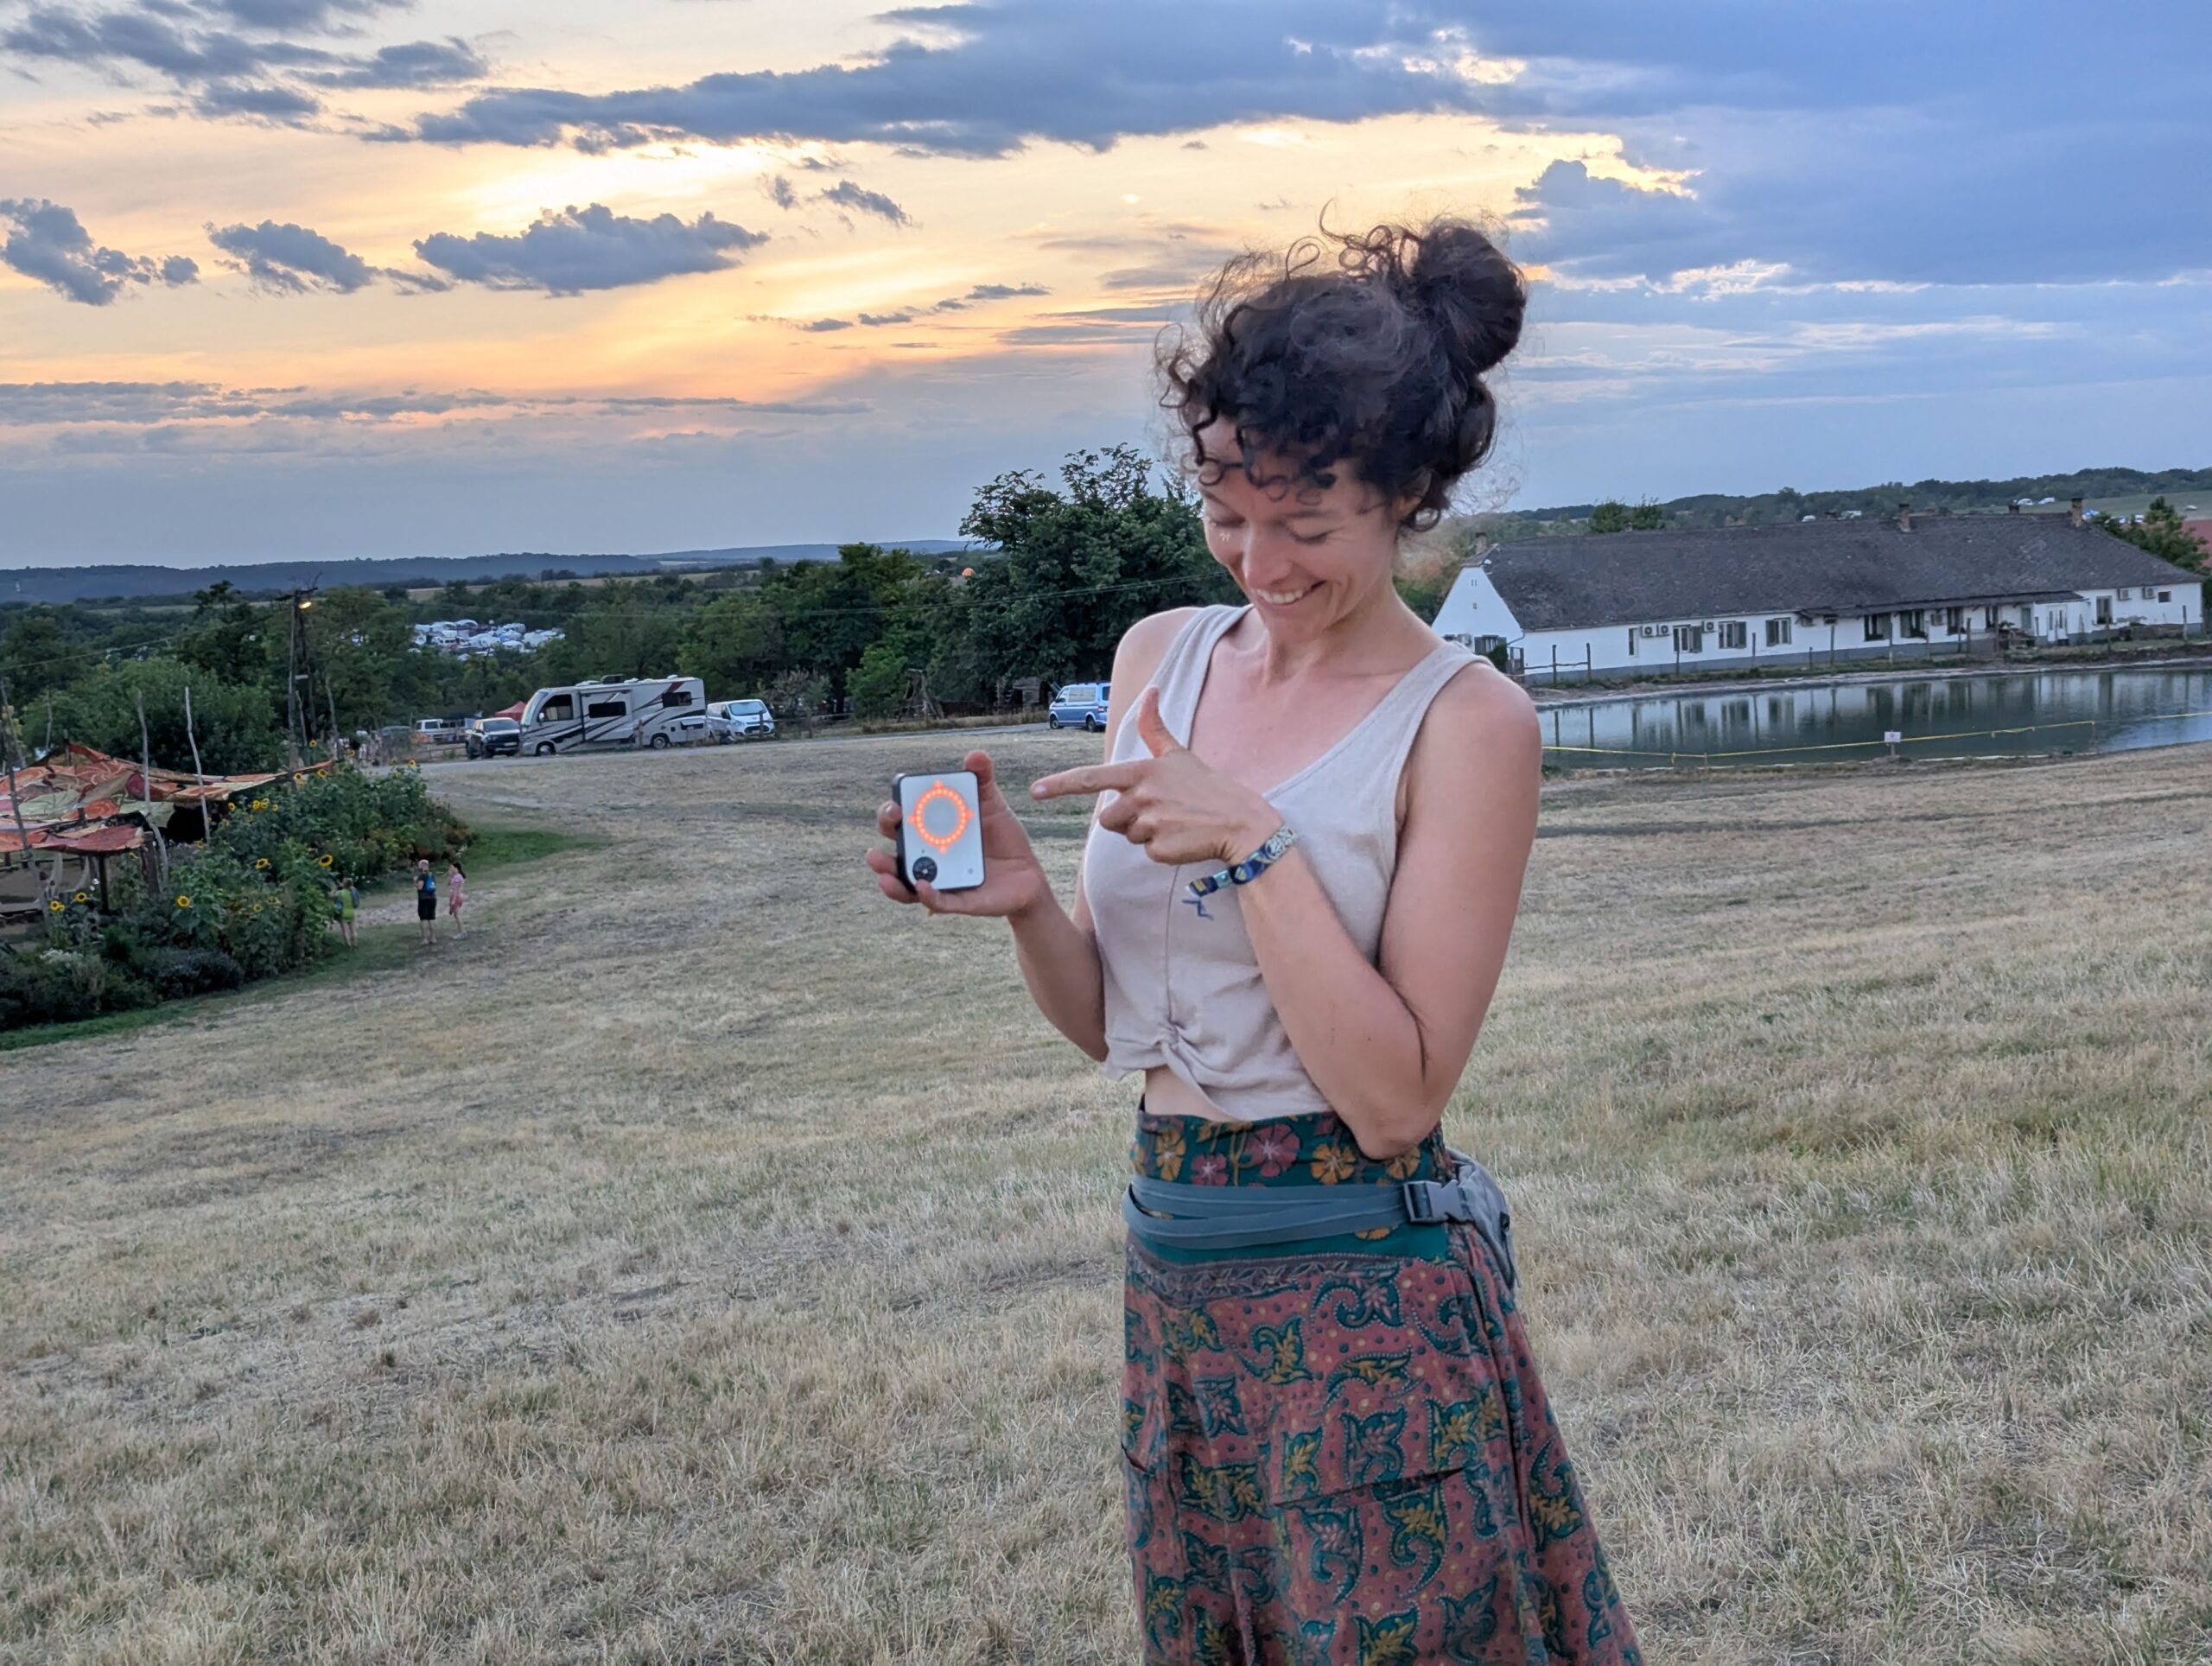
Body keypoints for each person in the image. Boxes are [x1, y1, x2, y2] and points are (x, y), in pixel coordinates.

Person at [867, 219, 1640, 1659]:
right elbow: (1120, 1026)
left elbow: (1400, 1095)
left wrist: (1251, 838)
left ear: (1407, 498)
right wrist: (1036, 903)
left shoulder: (1469, 723)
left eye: (1307, 522)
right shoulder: (1158, 657)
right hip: (1178, 1274)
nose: (1259, 560)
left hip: (1366, 1289)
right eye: (1228, 510)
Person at [414, 857, 437, 945]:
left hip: (423, 899)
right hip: (432, 898)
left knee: (424, 919)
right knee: (431, 918)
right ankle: (433, 937)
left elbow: (420, 887)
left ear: (420, 866)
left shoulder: (422, 876)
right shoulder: (431, 875)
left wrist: (415, 883)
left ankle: (425, 939)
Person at [446, 858, 466, 938]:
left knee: (457, 915)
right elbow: (448, 884)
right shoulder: (455, 877)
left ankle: (462, 932)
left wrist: (453, 900)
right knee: (456, 915)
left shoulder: (457, 877)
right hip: (455, 896)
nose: (450, 869)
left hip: (456, 896)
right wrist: (450, 875)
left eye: (451, 868)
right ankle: (461, 931)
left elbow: (456, 889)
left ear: (456, 868)